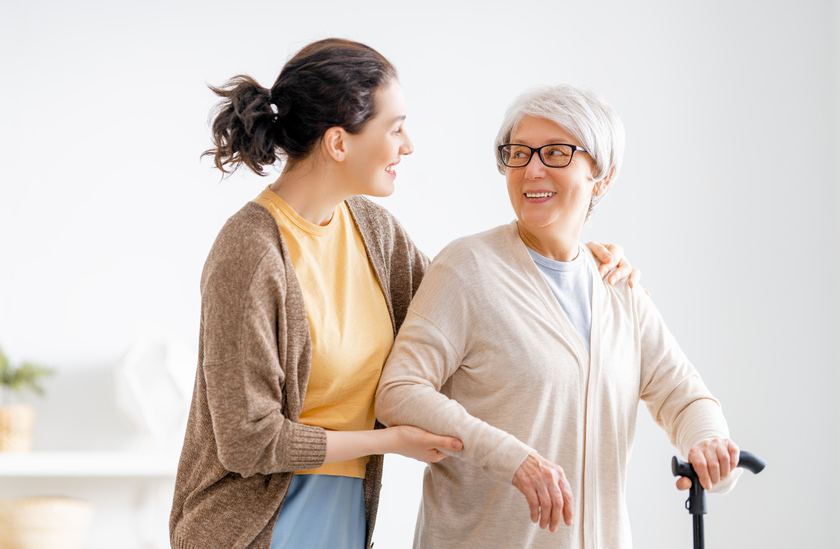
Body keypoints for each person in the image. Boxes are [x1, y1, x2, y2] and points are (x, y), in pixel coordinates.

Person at [169, 39, 637, 549]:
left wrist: (570, 259)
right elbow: (247, 441)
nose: (407, 145)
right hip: (250, 527)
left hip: (341, 516)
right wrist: (393, 441)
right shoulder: (251, 250)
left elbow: (479, 310)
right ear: (338, 143)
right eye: (394, 128)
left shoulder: (374, 232)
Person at [375, 83, 742, 549]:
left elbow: (686, 398)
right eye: (519, 153)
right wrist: (511, 457)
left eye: (555, 153)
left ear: (602, 176)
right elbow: (399, 392)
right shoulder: (468, 269)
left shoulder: (619, 289)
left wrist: (709, 446)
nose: (531, 169)